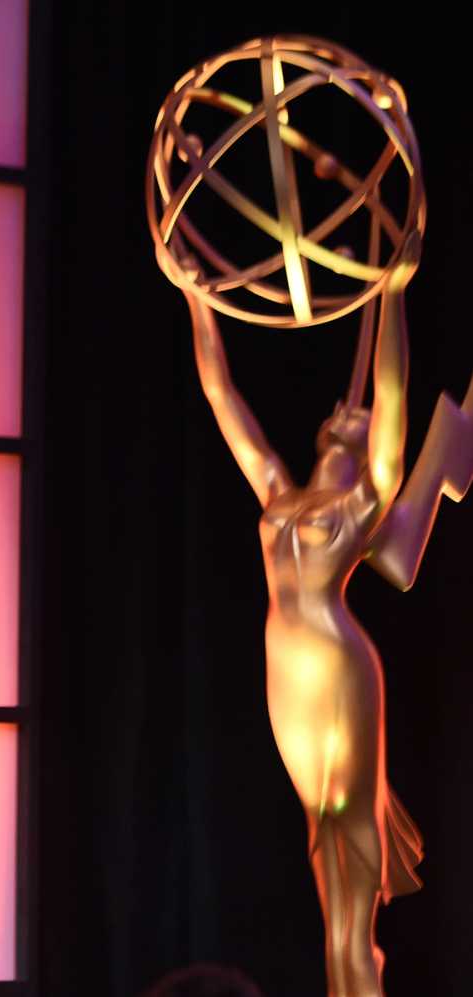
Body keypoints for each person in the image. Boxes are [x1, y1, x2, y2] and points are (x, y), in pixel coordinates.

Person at [163, 239, 428, 997]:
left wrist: (395, 295)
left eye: (363, 413)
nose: (355, 410)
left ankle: (359, 981)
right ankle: (350, 978)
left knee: (347, 846)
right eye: (347, 410)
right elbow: (222, 397)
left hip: (340, 668)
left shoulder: (360, 505)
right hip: (289, 676)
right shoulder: (279, 490)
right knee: (324, 844)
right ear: (324, 429)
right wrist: (194, 296)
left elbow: (395, 413)